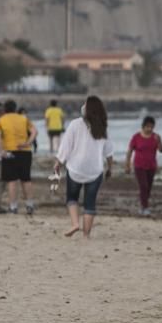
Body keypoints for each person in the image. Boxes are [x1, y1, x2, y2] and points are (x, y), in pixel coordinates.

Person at [55, 96, 114, 238]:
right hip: (95, 170)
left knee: (72, 198)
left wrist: (58, 162)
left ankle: (75, 224)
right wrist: (110, 168)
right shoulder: (103, 128)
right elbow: (109, 152)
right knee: (90, 203)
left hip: (75, 168)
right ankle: (86, 235)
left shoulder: (75, 124)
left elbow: (65, 146)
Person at [0, 100, 38, 215]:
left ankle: (13, 207)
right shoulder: (23, 118)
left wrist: (1, 150)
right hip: (25, 152)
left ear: (4, 109)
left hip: (10, 152)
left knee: (12, 181)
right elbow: (34, 131)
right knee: (26, 179)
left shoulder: (1, 120)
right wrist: (28, 143)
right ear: (15, 108)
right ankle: (30, 205)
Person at [124, 116, 162, 216]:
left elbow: (161, 150)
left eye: (151, 127)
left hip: (151, 166)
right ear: (143, 126)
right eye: (147, 127)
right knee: (144, 186)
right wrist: (127, 165)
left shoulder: (156, 137)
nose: (149, 129)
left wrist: (159, 141)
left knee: (148, 188)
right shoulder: (136, 137)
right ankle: (145, 208)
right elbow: (129, 151)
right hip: (139, 166)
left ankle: (143, 206)